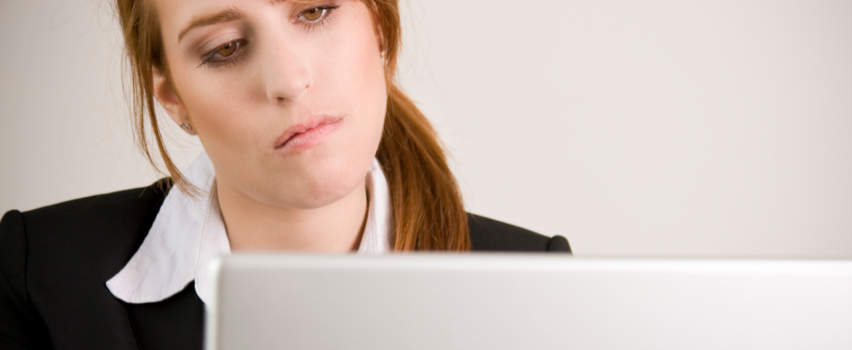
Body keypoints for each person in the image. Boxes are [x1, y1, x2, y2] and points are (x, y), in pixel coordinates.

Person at [0, 0, 571, 348]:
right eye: (225, 48)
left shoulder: (537, 288)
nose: (289, 80)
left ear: (379, 24)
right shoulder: (36, 277)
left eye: (315, 10)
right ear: (172, 96)